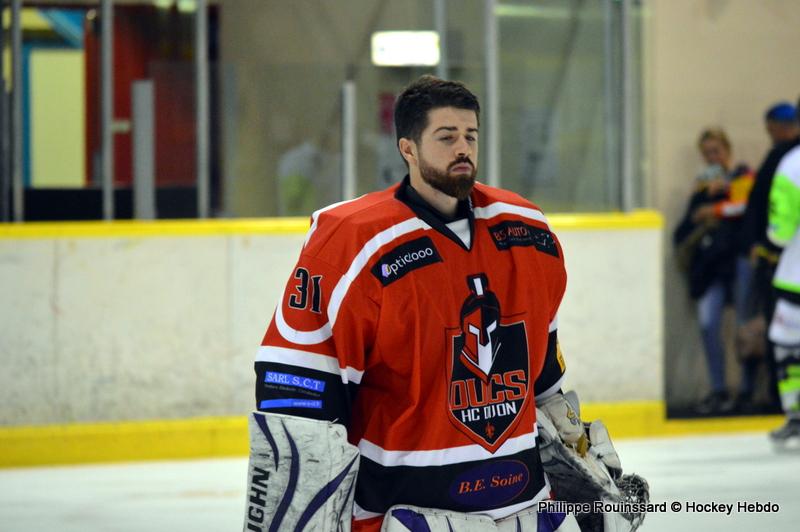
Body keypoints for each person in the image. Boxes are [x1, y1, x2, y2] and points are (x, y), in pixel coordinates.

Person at [243, 76, 643, 532]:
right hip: (402, 514)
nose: (463, 148)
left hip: (526, 510)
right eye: (446, 137)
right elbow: (298, 403)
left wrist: (581, 488)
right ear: (408, 148)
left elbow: (544, 382)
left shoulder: (527, 231)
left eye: (470, 136)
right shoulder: (353, 244)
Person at [673, 128, 754, 415]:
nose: (712, 157)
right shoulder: (701, 190)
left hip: (739, 264)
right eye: (707, 153)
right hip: (712, 268)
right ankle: (718, 389)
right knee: (709, 325)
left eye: (716, 151)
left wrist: (716, 207)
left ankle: (746, 390)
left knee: (744, 326)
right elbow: (684, 228)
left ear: (727, 150)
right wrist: (702, 201)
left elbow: (747, 210)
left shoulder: (743, 177)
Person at [739, 102, 800, 413]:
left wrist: (764, 246)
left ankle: (790, 409)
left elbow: (779, 229)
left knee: (786, 339)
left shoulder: (788, 161)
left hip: (791, 270)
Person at [766, 109, 800, 447]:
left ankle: (795, 416)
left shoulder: (792, 164)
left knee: (788, 346)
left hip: (796, 276)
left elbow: (780, 232)